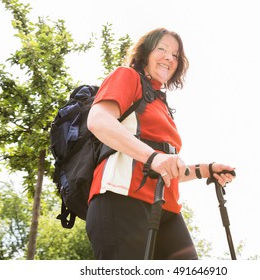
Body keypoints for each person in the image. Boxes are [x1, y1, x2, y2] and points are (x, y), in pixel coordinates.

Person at [86, 27, 235, 260]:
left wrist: (204, 170)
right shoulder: (127, 76)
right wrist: (154, 157)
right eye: (162, 49)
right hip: (122, 199)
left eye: (175, 54)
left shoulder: (160, 103)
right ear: (145, 53)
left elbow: (165, 168)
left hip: (165, 208)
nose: (169, 57)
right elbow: (98, 120)